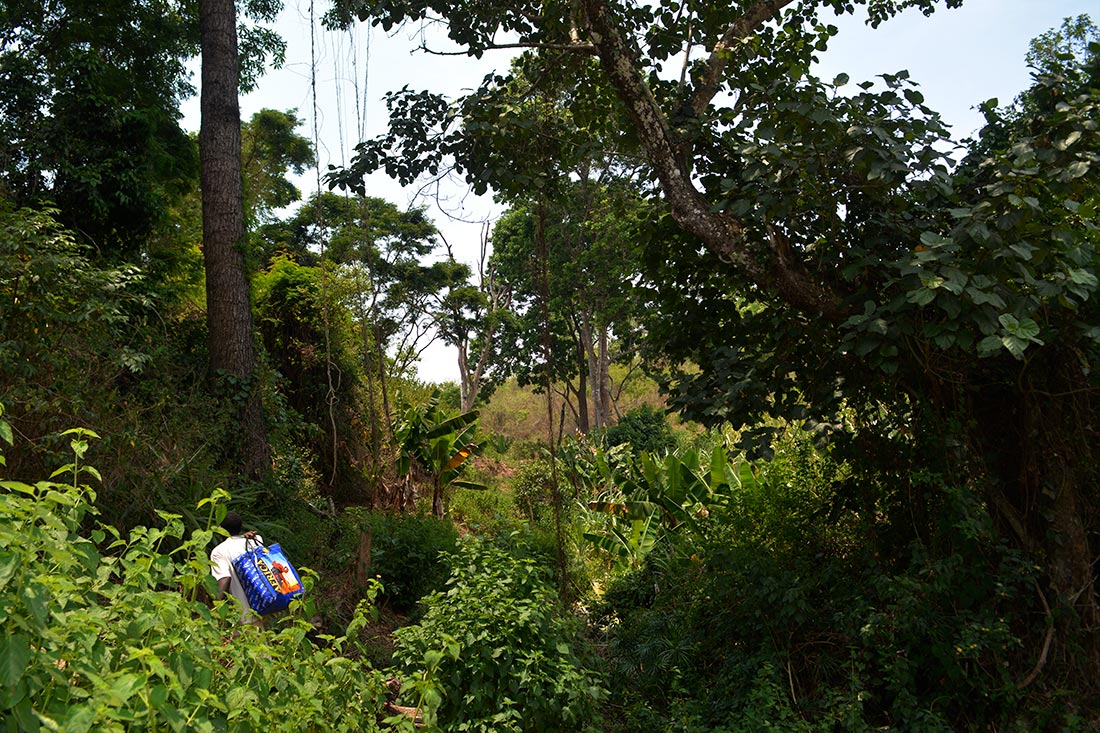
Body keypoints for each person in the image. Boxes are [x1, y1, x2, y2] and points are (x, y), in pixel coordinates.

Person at [209, 511, 262, 624]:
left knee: (251, 640)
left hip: (245, 612)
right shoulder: (256, 540)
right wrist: (243, 536)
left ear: (221, 529)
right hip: (265, 604)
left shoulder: (219, 551)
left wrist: (216, 612)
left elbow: (225, 579)